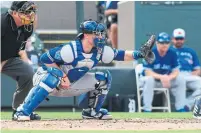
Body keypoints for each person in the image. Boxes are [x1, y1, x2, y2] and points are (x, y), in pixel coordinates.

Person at [13, 20, 155, 121]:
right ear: (86, 35)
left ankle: (92, 112)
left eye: (101, 34)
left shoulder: (99, 51)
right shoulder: (71, 50)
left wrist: (140, 54)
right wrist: (62, 75)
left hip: (71, 84)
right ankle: (23, 111)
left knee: (103, 77)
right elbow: (45, 59)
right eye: (97, 34)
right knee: (54, 75)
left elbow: (121, 55)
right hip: (47, 80)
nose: (100, 37)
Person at [1, 1, 41, 120]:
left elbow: (20, 49)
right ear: (14, 12)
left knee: (27, 72)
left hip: (8, 59)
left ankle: (20, 110)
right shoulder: (2, 23)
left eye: (32, 12)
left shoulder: (27, 27)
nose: (30, 15)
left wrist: (26, 61)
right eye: (26, 12)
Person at [142, 32, 187, 112]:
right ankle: (147, 109)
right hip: (152, 81)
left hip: (167, 81)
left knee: (181, 79)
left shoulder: (172, 53)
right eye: (162, 42)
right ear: (157, 43)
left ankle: (180, 108)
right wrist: (162, 77)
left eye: (167, 42)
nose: (164, 45)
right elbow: (147, 72)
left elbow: (176, 71)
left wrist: (169, 78)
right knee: (149, 80)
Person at [172, 28, 201, 111]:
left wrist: (195, 73)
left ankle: (187, 105)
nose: (179, 41)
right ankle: (181, 108)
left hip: (189, 75)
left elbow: (198, 69)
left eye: (181, 38)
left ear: (184, 39)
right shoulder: (169, 51)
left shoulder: (190, 51)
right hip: (175, 76)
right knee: (175, 86)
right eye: (177, 38)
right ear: (173, 39)